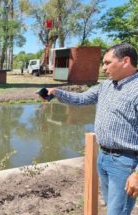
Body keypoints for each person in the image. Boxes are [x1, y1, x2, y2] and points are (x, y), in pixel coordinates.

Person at [43, 43, 138, 215]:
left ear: (125, 61)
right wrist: (56, 92)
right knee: (112, 208)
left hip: (125, 162)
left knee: (118, 212)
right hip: (104, 158)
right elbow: (81, 99)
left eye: (107, 63)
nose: (103, 68)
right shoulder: (106, 86)